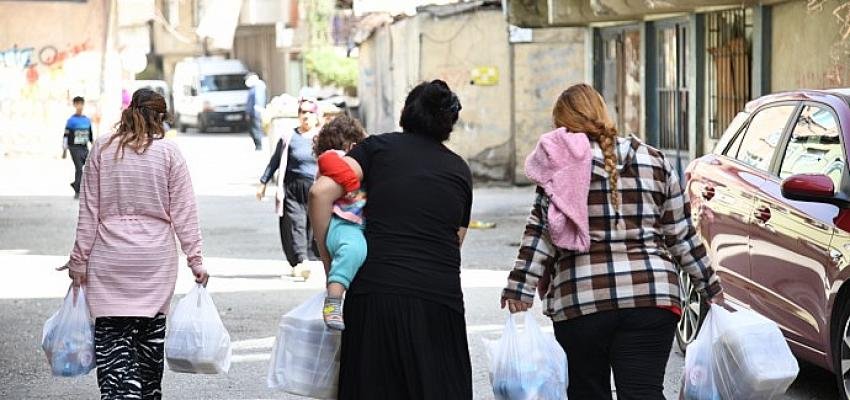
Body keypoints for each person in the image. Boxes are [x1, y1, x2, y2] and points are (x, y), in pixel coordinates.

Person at [500, 83, 723, 400]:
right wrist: (710, 288)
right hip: (652, 297)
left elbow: (541, 234)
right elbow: (681, 235)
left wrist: (520, 286)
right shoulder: (656, 161)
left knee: (587, 391)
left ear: (564, 125)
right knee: (643, 392)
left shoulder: (559, 167)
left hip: (581, 301)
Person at [309, 80, 473, 399]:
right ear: (448, 122)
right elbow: (455, 241)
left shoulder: (377, 149)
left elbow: (319, 192)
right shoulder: (459, 171)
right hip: (439, 304)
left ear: (405, 114)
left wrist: (333, 267)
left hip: (374, 298)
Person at [60, 88, 209, 400]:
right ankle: (146, 391)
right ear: (160, 118)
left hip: (110, 260)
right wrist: (196, 261)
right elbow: (185, 213)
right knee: (149, 344)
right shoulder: (169, 154)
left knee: (113, 342)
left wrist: (78, 262)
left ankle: (121, 392)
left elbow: (89, 211)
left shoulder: (102, 149)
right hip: (154, 263)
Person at [311, 115, 368, 330]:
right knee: (355, 250)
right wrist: (352, 183)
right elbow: (328, 161)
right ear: (352, 144)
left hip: (352, 224)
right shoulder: (335, 157)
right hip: (343, 226)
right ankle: (333, 301)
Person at [257, 98, 321, 278]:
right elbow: (275, 161)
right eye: (302, 112)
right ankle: (301, 261)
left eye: (310, 112)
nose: (306, 116)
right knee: (295, 224)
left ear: (316, 116)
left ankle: (306, 259)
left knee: (313, 226)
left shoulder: (323, 137)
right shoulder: (289, 137)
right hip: (292, 188)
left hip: (317, 189)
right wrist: (263, 183)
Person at [64, 96, 94, 199]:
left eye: (81, 103)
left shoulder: (87, 120)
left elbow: (90, 134)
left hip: (84, 147)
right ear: (74, 105)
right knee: (79, 168)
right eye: (77, 104)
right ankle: (78, 191)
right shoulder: (71, 121)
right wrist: (64, 149)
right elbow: (66, 135)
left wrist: (93, 144)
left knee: (89, 167)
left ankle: (76, 184)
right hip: (74, 147)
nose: (79, 106)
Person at [245, 73, 267, 151]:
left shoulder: (258, 88)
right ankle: (257, 144)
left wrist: (257, 112)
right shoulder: (253, 89)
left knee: (256, 129)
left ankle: (259, 145)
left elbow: (258, 101)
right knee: (252, 129)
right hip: (251, 113)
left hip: (256, 113)